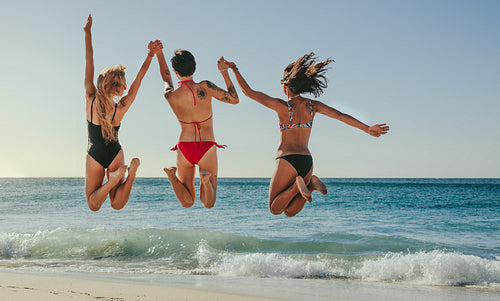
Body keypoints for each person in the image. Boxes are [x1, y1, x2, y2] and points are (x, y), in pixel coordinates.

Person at [223, 53, 389, 217]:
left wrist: (235, 69)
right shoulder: (313, 106)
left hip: (287, 158)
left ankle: (297, 186)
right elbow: (340, 115)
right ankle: (310, 185)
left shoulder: (282, 106)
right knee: (290, 212)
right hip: (306, 160)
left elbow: (248, 92)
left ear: (285, 87)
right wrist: (367, 128)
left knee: (275, 208)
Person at [153, 42, 239, 208]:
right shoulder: (205, 87)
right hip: (206, 145)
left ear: (176, 71)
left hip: (185, 146)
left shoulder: (170, 95)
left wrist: (159, 54)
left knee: (187, 202)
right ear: (194, 68)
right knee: (209, 203)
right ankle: (205, 182)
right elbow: (234, 99)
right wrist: (224, 72)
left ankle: (172, 177)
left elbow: (166, 78)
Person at [84, 14, 155, 211]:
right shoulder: (121, 108)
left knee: (93, 204)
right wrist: (150, 55)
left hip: (95, 152)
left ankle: (111, 182)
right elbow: (139, 79)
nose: (125, 87)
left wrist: (87, 32)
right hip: (116, 152)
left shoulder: (91, 98)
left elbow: (89, 59)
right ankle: (129, 175)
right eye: (124, 84)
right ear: (118, 87)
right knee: (116, 205)